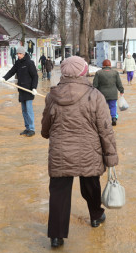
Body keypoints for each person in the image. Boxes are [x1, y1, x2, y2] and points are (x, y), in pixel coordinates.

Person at [41, 56, 119, 248]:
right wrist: (110, 156)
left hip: (60, 154)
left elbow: (45, 128)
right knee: (91, 186)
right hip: (89, 152)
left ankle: (56, 236)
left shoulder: (52, 96)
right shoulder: (95, 96)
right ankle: (96, 216)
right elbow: (105, 129)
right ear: (83, 72)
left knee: (59, 193)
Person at [2, 45, 39, 137]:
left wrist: (34, 88)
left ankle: (32, 129)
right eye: (17, 54)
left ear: (23, 53)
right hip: (21, 90)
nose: (18, 55)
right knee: (24, 111)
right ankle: (27, 128)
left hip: (29, 90)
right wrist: (4, 78)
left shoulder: (29, 63)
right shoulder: (18, 63)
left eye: (20, 54)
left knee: (29, 110)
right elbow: (11, 71)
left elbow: (35, 76)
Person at [93, 59, 124, 126]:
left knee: (103, 108)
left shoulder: (98, 73)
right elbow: (119, 83)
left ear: (103, 65)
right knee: (113, 106)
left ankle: (103, 122)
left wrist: (93, 94)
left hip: (102, 95)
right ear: (110, 65)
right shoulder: (115, 72)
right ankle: (113, 118)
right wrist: (121, 90)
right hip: (113, 94)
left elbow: (95, 85)